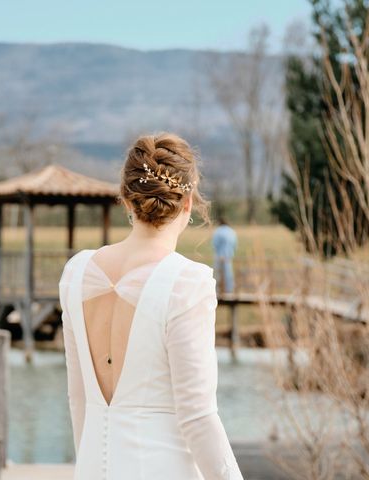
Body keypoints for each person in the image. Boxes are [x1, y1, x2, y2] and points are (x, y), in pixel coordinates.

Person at [58, 133, 243, 480]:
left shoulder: (77, 273)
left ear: (126, 200)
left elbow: (78, 398)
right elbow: (198, 417)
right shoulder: (187, 283)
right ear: (187, 202)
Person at [212, 216, 237, 294]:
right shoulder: (232, 231)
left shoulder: (218, 231)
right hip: (229, 256)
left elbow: (215, 244)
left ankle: (217, 290)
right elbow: (235, 245)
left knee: (218, 274)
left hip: (219, 256)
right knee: (228, 274)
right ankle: (229, 291)